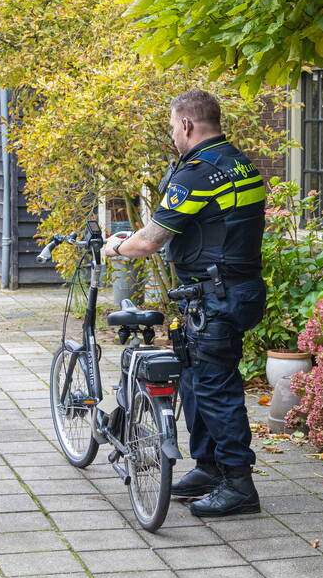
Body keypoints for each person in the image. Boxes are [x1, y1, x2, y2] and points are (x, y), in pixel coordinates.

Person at [104, 89, 267, 517]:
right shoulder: (237, 161)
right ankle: (209, 468)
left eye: (174, 127)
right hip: (232, 289)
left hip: (216, 295)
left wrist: (116, 248)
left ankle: (238, 485)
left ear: (188, 125)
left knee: (215, 389)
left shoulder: (198, 171)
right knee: (196, 382)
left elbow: (151, 242)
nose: (174, 134)